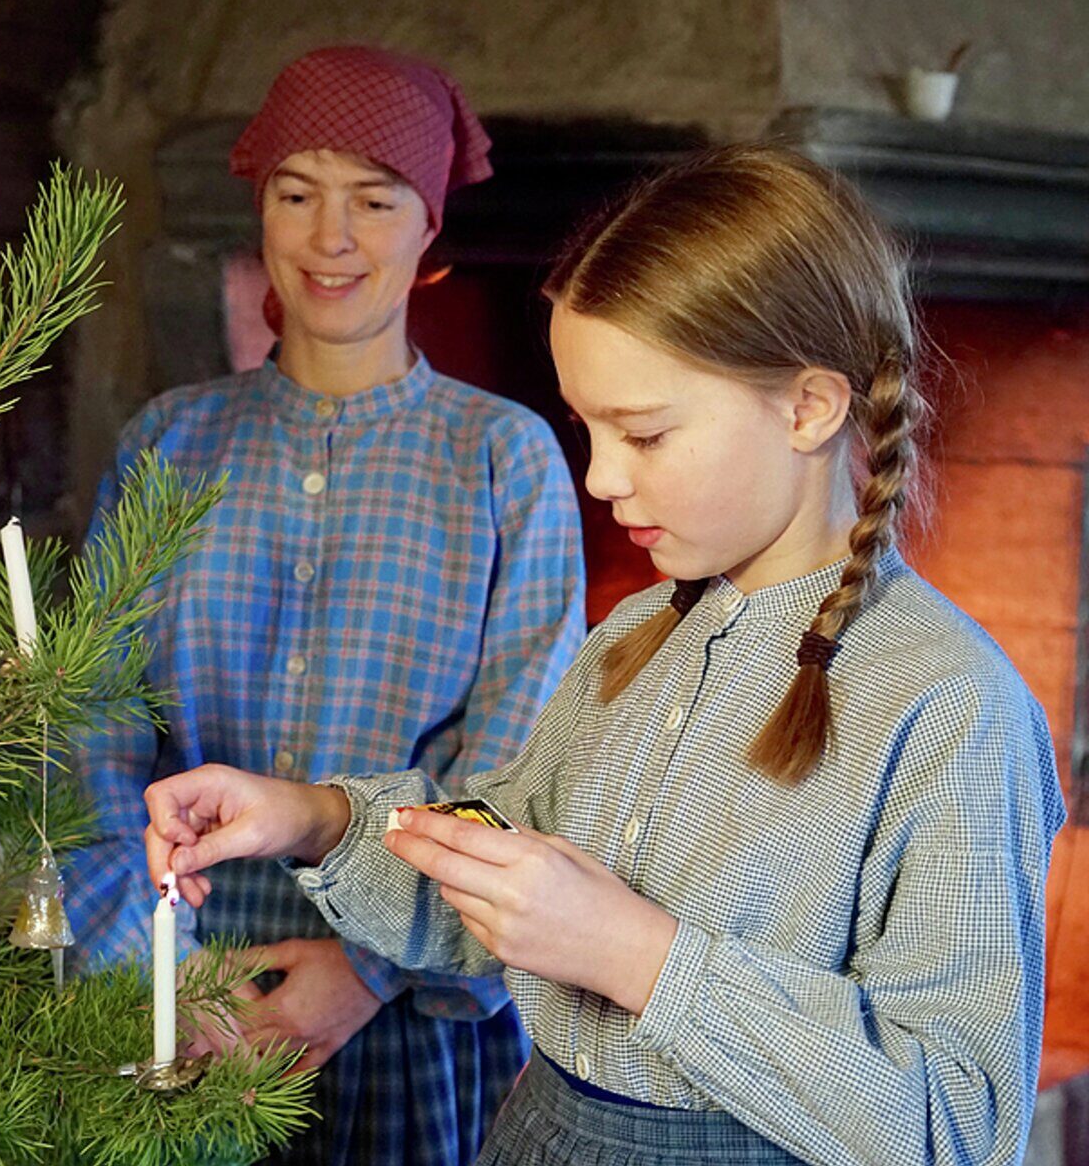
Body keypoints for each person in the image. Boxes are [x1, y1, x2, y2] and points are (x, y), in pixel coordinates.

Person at [143, 145, 1067, 1166]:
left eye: (645, 433)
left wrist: (639, 953)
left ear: (808, 407)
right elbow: (510, 872)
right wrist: (313, 816)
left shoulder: (948, 704)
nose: (598, 477)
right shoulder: (631, 640)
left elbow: (958, 1119)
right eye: (586, 428)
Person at [62, 46, 587, 1164]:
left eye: (373, 198)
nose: (330, 237)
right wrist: (154, 971)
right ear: (260, 209)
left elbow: (521, 762)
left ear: (428, 223)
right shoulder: (169, 440)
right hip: (175, 989)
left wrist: (369, 970)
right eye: (296, 195)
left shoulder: (506, 459)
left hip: (405, 1016)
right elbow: (90, 718)